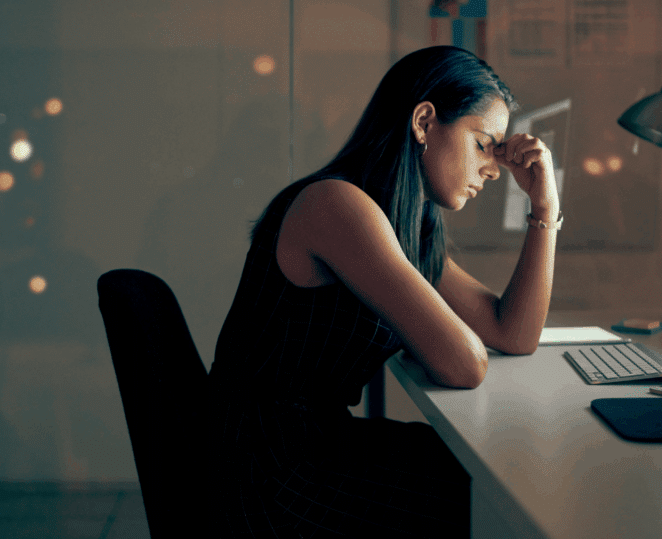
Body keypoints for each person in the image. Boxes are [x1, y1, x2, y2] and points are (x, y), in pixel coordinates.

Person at [206, 45, 559, 537]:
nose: (494, 169)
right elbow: (465, 365)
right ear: (423, 122)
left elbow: (512, 332)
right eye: (483, 144)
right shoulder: (337, 205)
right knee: (490, 495)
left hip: (313, 444)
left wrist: (544, 208)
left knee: (499, 470)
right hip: (267, 471)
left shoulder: (406, 227)